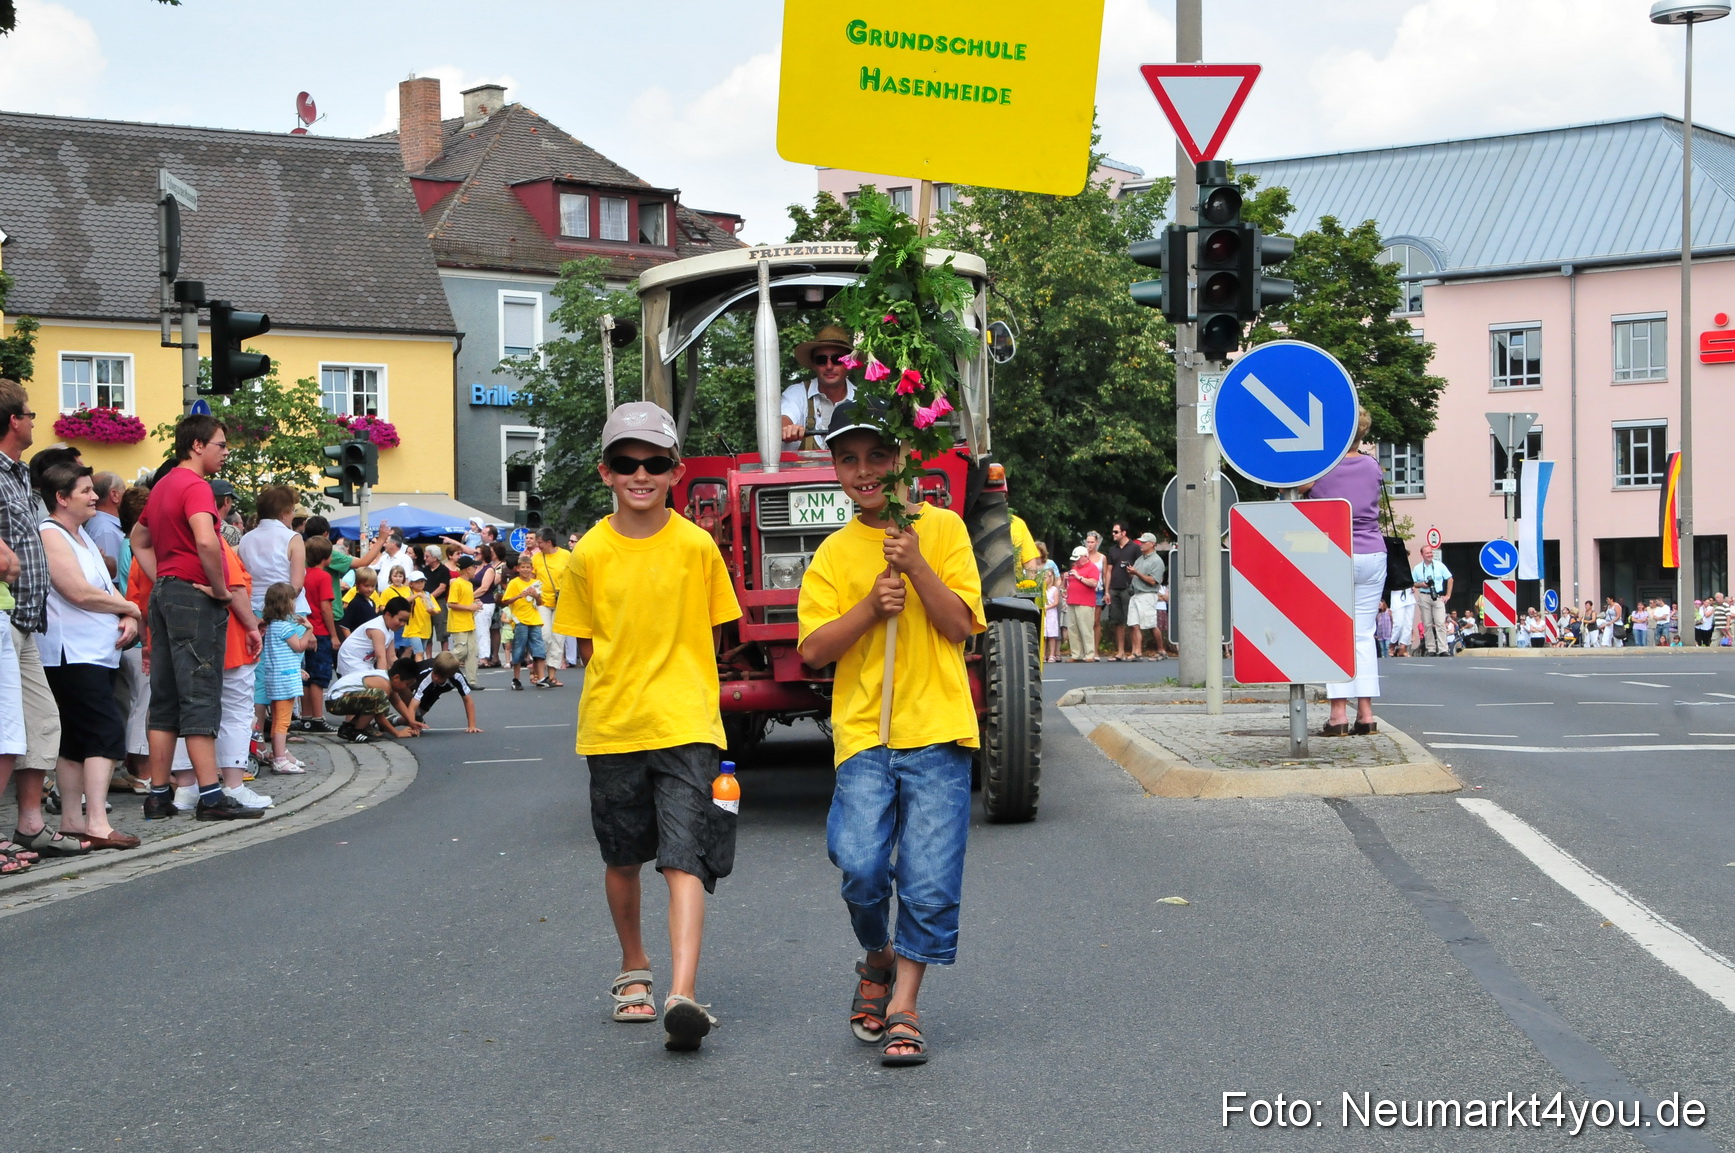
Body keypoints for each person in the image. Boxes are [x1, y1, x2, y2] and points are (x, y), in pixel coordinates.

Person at [797, 398, 986, 1068]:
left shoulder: (942, 530)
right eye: (848, 458)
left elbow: (961, 625)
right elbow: (815, 649)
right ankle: (876, 953)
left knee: (930, 881)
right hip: (864, 737)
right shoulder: (832, 551)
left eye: (877, 455)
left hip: (935, 729)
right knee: (860, 864)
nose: (863, 469)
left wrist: (917, 567)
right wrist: (869, 605)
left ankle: (904, 1003)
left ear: (903, 456)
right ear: (835, 468)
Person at [555, 401, 742, 1053]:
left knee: (684, 856)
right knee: (621, 855)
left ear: (676, 472)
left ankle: (682, 991)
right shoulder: (587, 554)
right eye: (627, 463)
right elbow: (583, 644)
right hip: (612, 725)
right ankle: (634, 966)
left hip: (688, 720)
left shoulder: (697, 547)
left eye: (655, 462)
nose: (641, 473)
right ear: (606, 472)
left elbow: (716, 631)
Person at [128, 414, 262, 821]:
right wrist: (220, 589)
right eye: (221, 445)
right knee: (200, 694)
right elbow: (206, 539)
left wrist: (163, 575)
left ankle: (158, 795)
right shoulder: (196, 487)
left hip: (166, 597)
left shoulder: (163, 485)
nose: (226, 452)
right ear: (198, 445)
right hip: (194, 600)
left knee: (165, 700)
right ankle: (210, 796)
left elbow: (138, 538)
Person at [36, 461, 142, 850]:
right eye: (84, 491)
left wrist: (125, 612)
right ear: (62, 499)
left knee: (77, 740)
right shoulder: (51, 535)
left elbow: (106, 587)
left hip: (95, 651)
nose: (94, 496)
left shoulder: (79, 535)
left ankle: (72, 820)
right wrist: (129, 608)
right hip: (71, 652)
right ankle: (96, 822)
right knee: (103, 732)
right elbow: (76, 592)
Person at [0, 380, 75, 852]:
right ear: (12, 420)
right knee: (7, 729)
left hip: (25, 619)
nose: (33, 420)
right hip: (4, 615)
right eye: (28, 413)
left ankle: (30, 824)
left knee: (41, 723)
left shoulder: (18, 473)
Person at [1302, 411, 1387, 735]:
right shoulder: (1372, 466)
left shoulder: (1322, 468)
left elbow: (1296, 488)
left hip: (1334, 553)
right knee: (1364, 634)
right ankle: (1366, 714)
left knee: (1335, 632)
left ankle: (1338, 714)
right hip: (1373, 553)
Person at [258, 581, 315, 774]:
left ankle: (279, 752)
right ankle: (280, 759)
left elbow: (280, 655)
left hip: (276, 677)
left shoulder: (272, 626)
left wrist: (296, 670)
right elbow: (299, 646)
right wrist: (309, 630)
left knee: (276, 719)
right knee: (283, 721)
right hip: (285, 682)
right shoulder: (285, 627)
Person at [780, 324, 857, 451]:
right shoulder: (797, 394)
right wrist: (787, 429)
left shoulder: (863, 400)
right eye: (821, 360)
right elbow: (783, 419)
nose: (829, 366)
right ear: (814, 364)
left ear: (848, 363)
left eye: (837, 359)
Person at [237, 484, 307, 620]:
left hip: (253, 609)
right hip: (287, 610)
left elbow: (241, 577)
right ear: (283, 514)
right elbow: (296, 586)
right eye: (292, 510)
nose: (293, 515)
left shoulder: (246, 539)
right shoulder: (293, 538)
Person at [390, 652, 481, 735]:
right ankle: (391, 721)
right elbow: (413, 705)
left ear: (449, 676)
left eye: (441, 677)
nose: (436, 678)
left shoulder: (457, 677)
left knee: (418, 715)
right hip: (414, 682)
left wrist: (472, 725)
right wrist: (412, 727)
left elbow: (467, 699)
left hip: (436, 690)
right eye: (435, 673)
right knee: (413, 716)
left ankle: (392, 720)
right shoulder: (426, 678)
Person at [299, 535, 338, 732]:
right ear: (326, 557)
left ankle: (305, 716)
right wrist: (334, 635)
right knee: (319, 677)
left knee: (305, 675)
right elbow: (325, 607)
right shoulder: (324, 577)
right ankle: (317, 717)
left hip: (303, 630)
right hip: (320, 631)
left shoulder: (302, 574)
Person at [324, 664, 411, 744]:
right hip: (335, 701)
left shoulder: (386, 677)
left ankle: (348, 728)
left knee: (373, 700)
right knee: (377, 696)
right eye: (407, 684)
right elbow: (379, 718)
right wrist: (397, 733)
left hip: (339, 699)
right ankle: (357, 732)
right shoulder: (384, 684)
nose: (407, 688)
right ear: (396, 678)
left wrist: (412, 721)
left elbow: (397, 702)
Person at [336, 597, 411, 683]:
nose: (403, 624)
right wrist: (384, 682)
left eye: (405, 621)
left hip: (365, 663)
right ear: (388, 615)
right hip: (352, 660)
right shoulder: (377, 630)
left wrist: (404, 673)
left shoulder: (390, 631)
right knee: (377, 686)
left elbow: (391, 657)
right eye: (400, 620)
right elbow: (381, 658)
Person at [501, 553, 547, 690]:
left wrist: (536, 595)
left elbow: (540, 602)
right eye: (523, 567)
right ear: (518, 569)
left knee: (538, 649)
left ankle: (541, 677)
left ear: (532, 568)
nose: (526, 570)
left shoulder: (535, 583)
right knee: (519, 649)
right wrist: (519, 596)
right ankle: (516, 679)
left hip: (534, 620)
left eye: (528, 567)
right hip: (520, 620)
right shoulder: (514, 583)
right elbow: (505, 600)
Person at [530, 529, 569, 680]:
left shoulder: (566, 555)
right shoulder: (536, 558)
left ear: (549, 542)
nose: (537, 545)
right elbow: (532, 579)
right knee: (544, 636)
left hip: (562, 601)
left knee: (559, 639)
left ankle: (552, 675)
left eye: (539, 542)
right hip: (542, 601)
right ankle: (537, 669)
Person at [1101, 522, 1142, 660]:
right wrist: (1107, 591)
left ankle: (1135, 650)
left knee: (1132, 621)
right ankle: (1120, 651)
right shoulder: (1112, 549)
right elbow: (1109, 571)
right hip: (1114, 588)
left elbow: (1140, 568)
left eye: (1116, 532)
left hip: (1128, 588)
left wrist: (1134, 574)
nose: (1113, 534)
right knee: (1117, 621)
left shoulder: (1135, 548)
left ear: (1124, 533)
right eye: (1113, 532)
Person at [1125, 532, 1166, 661]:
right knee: (1134, 624)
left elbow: (1154, 581)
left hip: (1148, 595)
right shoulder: (1140, 558)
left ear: (1152, 544)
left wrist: (1136, 572)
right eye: (1141, 542)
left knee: (1151, 624)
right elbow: (1135, 575)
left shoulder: (1157, 561)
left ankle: (1161, 650)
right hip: (1136, 594)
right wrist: (1131, 572)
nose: (1141, 545)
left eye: (1144, 542)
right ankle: (1137, 652)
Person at [1411, 544, 1453, 656]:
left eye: (1431, 552)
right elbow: (1412, 583)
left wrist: (1448, 595)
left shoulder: (1439, 565)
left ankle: (1443, 649)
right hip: (1424, 596)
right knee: (1427, 624)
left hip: (1438, 597)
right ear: (1422, 554)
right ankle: (1431, 649)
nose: (1430, 555)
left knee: (1440, 623)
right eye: (1427, 553)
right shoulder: (1417, 568)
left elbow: (1450, 578)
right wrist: (1421, 584)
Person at [444, 553, 481, 683]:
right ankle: (440, 662)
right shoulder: (457, 583)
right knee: (461, 650)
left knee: (472, 651)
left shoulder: (469, 584)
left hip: (469, 622)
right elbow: (451, 603)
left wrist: (476, 604)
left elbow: (465, 602)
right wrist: (470, 608)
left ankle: (472, 680)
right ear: (468, 569)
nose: (475, 569)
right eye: (474, 567)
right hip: (458, 623)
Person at [1062, 545, 1099, 661]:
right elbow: (1065, 587)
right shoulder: (1074, 568)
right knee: (1072, 629)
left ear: (1085, 557)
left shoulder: (1092, 568)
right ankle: (1076, 654)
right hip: (1072, 601)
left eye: (1078, 558)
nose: (1076, 561)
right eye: (1075, 559)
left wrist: (1079, 577)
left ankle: (1089, 654)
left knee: (1086, 629)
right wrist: (1065, 579)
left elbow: (1093, 583)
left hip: (1085, 603)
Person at [473, 544, 501, 668]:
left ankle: (484, 657)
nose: (475, 555)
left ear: (484, 554)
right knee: (474, 630)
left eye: (477, 553)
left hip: (485, 602)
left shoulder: (489, 569)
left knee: (482, 630)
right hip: (474, 602)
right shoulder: (474, 568)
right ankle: (476, 655)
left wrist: (469, 596)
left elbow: (484, 587)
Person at [1084, 531, 1108, 656]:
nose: (1089, 544)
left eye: (1092, 542)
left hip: (1098, 590)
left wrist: (1107, 592)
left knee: (1095, 621)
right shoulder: (1083, 556)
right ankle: (1086, 649)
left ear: (1097, 542)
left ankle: (1095, 650)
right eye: (1088, 542)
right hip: (1085, 590)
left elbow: (1105, 575)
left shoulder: (1102, 557)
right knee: (1085, 621)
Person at [401, 571, 436, 658]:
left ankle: (411, 668)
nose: (420, 584)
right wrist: (417, 595)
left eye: (422, 581)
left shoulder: (428, 595)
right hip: (413, 630)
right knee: (419, 652)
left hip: (425, 629)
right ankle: (419, 670)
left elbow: (437, 610)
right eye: (417, 582)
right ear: (411, 584)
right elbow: (404, 601)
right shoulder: (408, 592)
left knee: (419, 652)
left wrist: (432, 611)